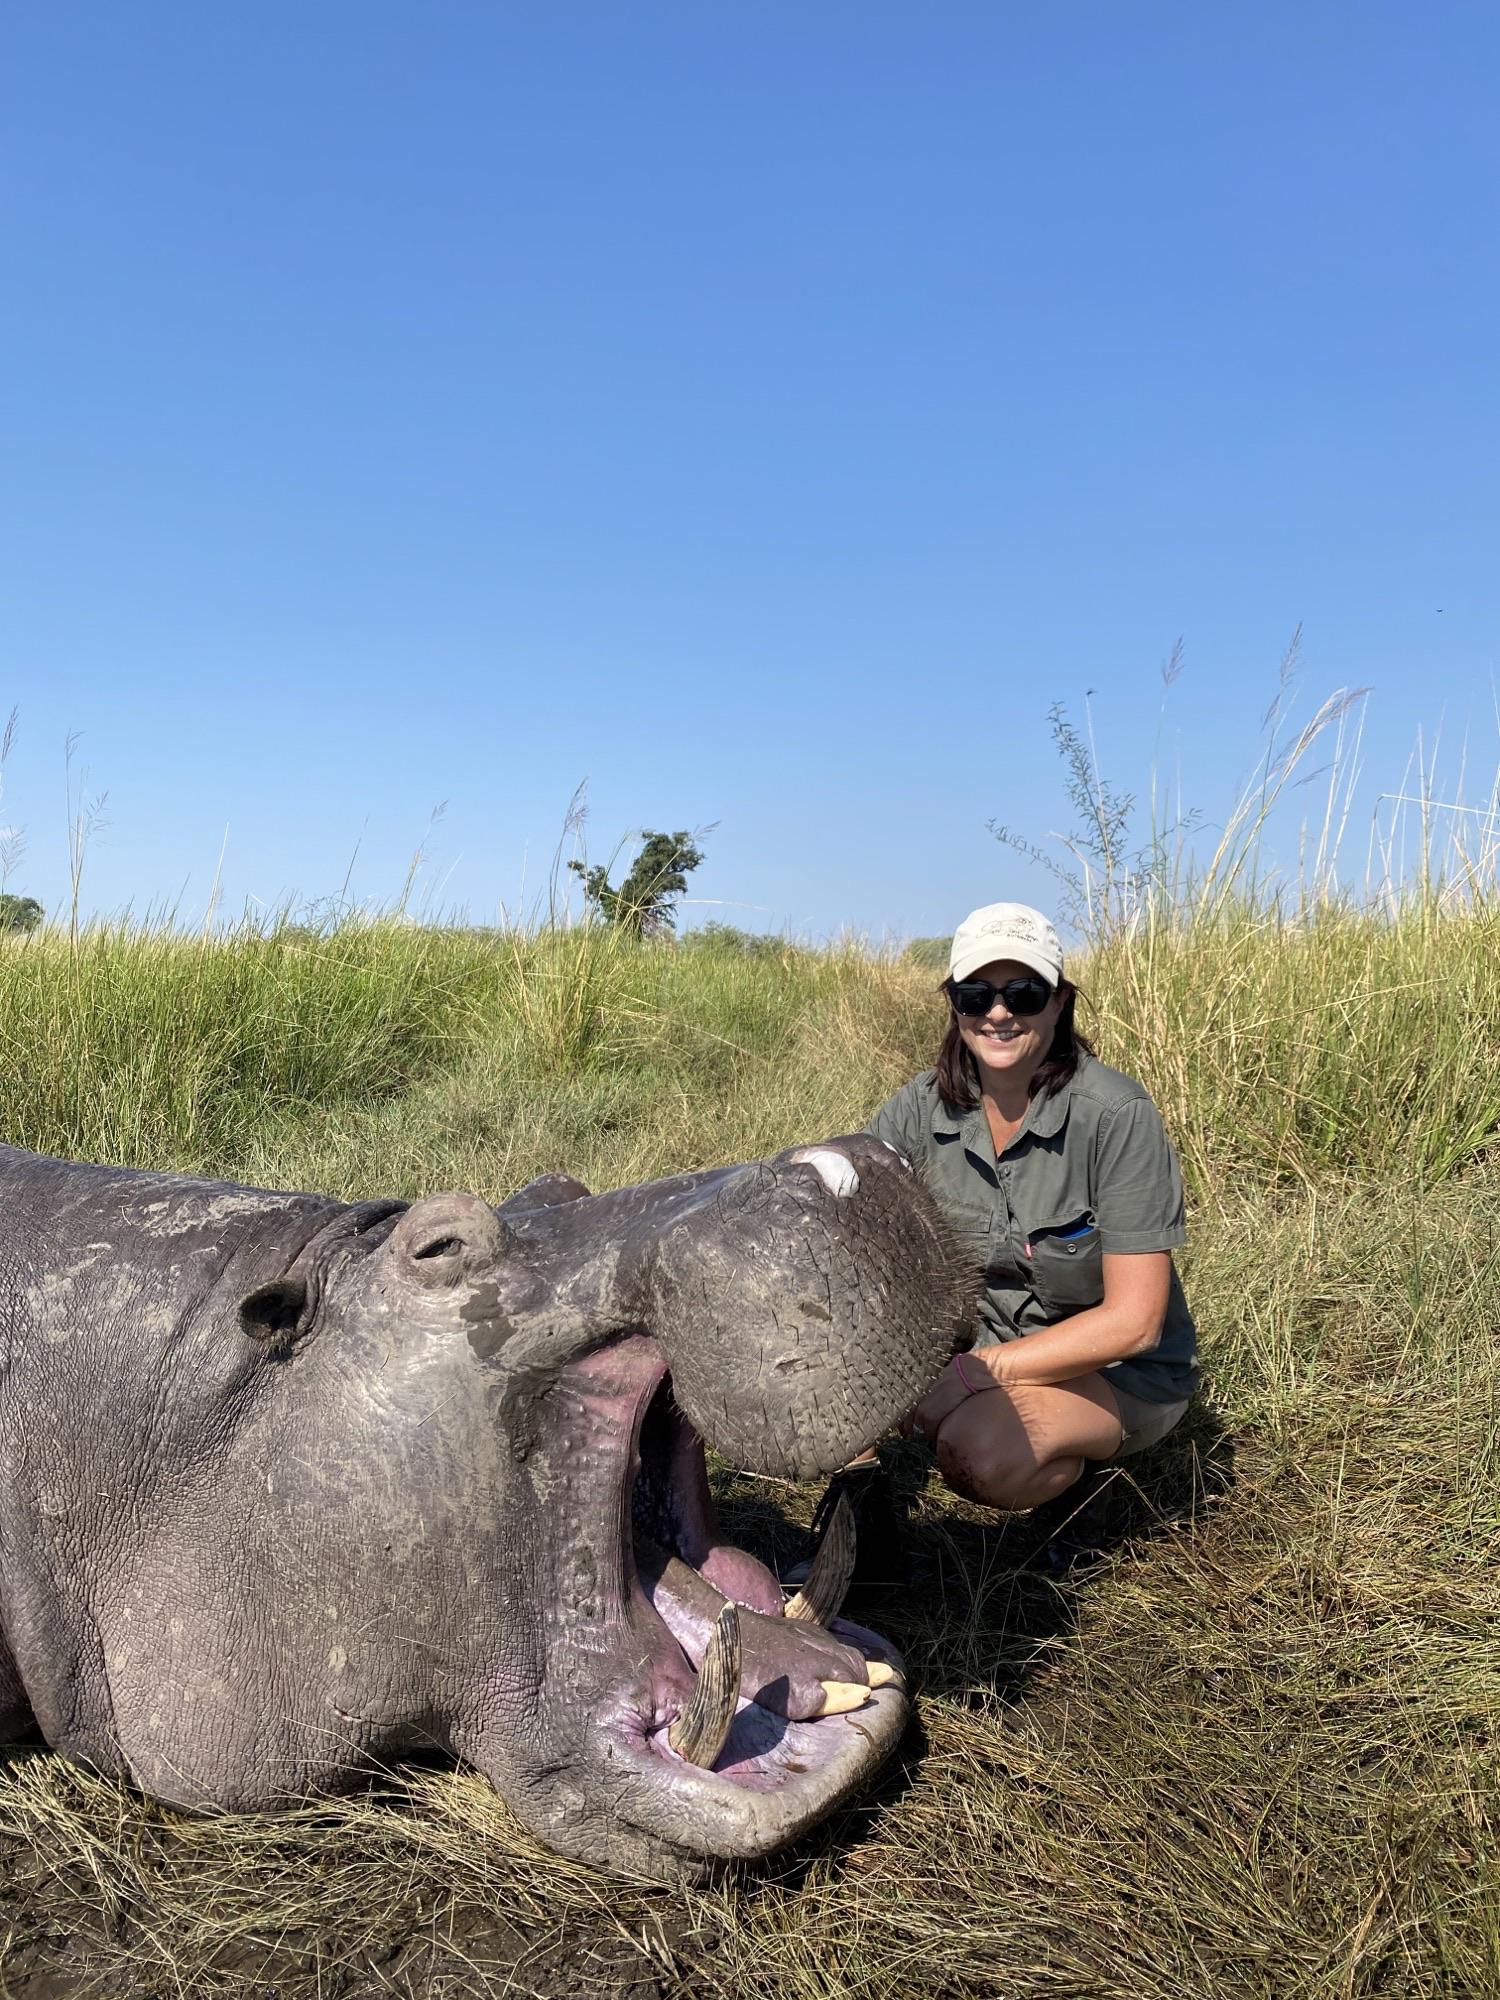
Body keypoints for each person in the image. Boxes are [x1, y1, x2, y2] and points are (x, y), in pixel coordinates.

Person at [807, 902, 1198, 1560]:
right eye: (975, 995)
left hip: (1115, 1370)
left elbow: (1134, 1323)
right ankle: (860, 1529)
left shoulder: (1115, 1115)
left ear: (1059, 1002)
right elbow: (843, 1232)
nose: (998, 1013)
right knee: (817, 1336)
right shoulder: (916, 1110)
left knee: (981, 1454)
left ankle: (1075, 1492)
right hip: (972, 1346)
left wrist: (973, 1375)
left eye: (1023, 992)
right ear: (953, 1005)